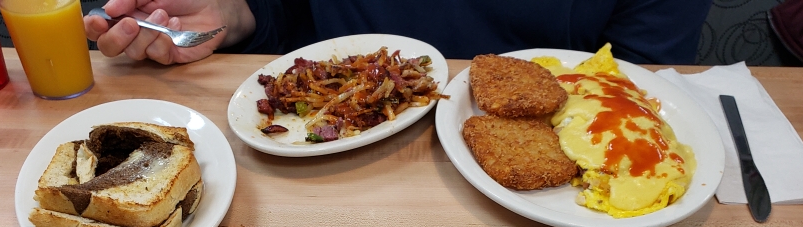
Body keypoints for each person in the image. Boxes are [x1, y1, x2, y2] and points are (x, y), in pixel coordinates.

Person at [84, 0, 713, 66]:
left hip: (557, 211)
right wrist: (237, 14)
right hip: (331, 167)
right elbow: (292, 15)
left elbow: (642, 77)